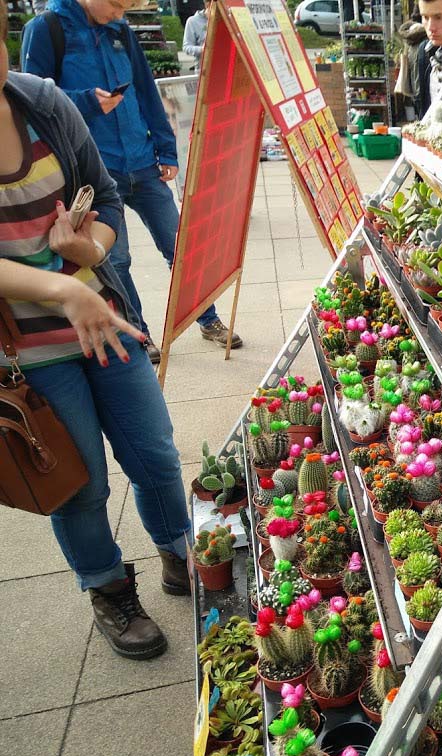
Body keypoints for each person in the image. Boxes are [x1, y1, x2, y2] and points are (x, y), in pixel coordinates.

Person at [0, 10, 189, 660]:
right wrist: (62, 287)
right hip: (24, 356)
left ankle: (178, 549)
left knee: (157, 456)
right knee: (78, 486)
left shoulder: (42, 103)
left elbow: (104, 197)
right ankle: (108, 587)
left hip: (104, 319)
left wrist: (90, 246)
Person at [21, 0, 243, 363]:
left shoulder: (119, 31)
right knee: (116, 259)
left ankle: (208, 319)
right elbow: (35, 102)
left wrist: (166, 149)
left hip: (141, 160)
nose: (121, 14)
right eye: (116, 5)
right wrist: (86, 103)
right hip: (95, 171)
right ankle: (140, 332)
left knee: (181, 247)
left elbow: (145, 89)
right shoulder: (47, 29)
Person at [182, 0, 211, 65]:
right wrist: (202, 49)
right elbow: (186, 47)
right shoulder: (193, 21)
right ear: (206, 4)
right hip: (202, 69)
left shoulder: (226, 19)